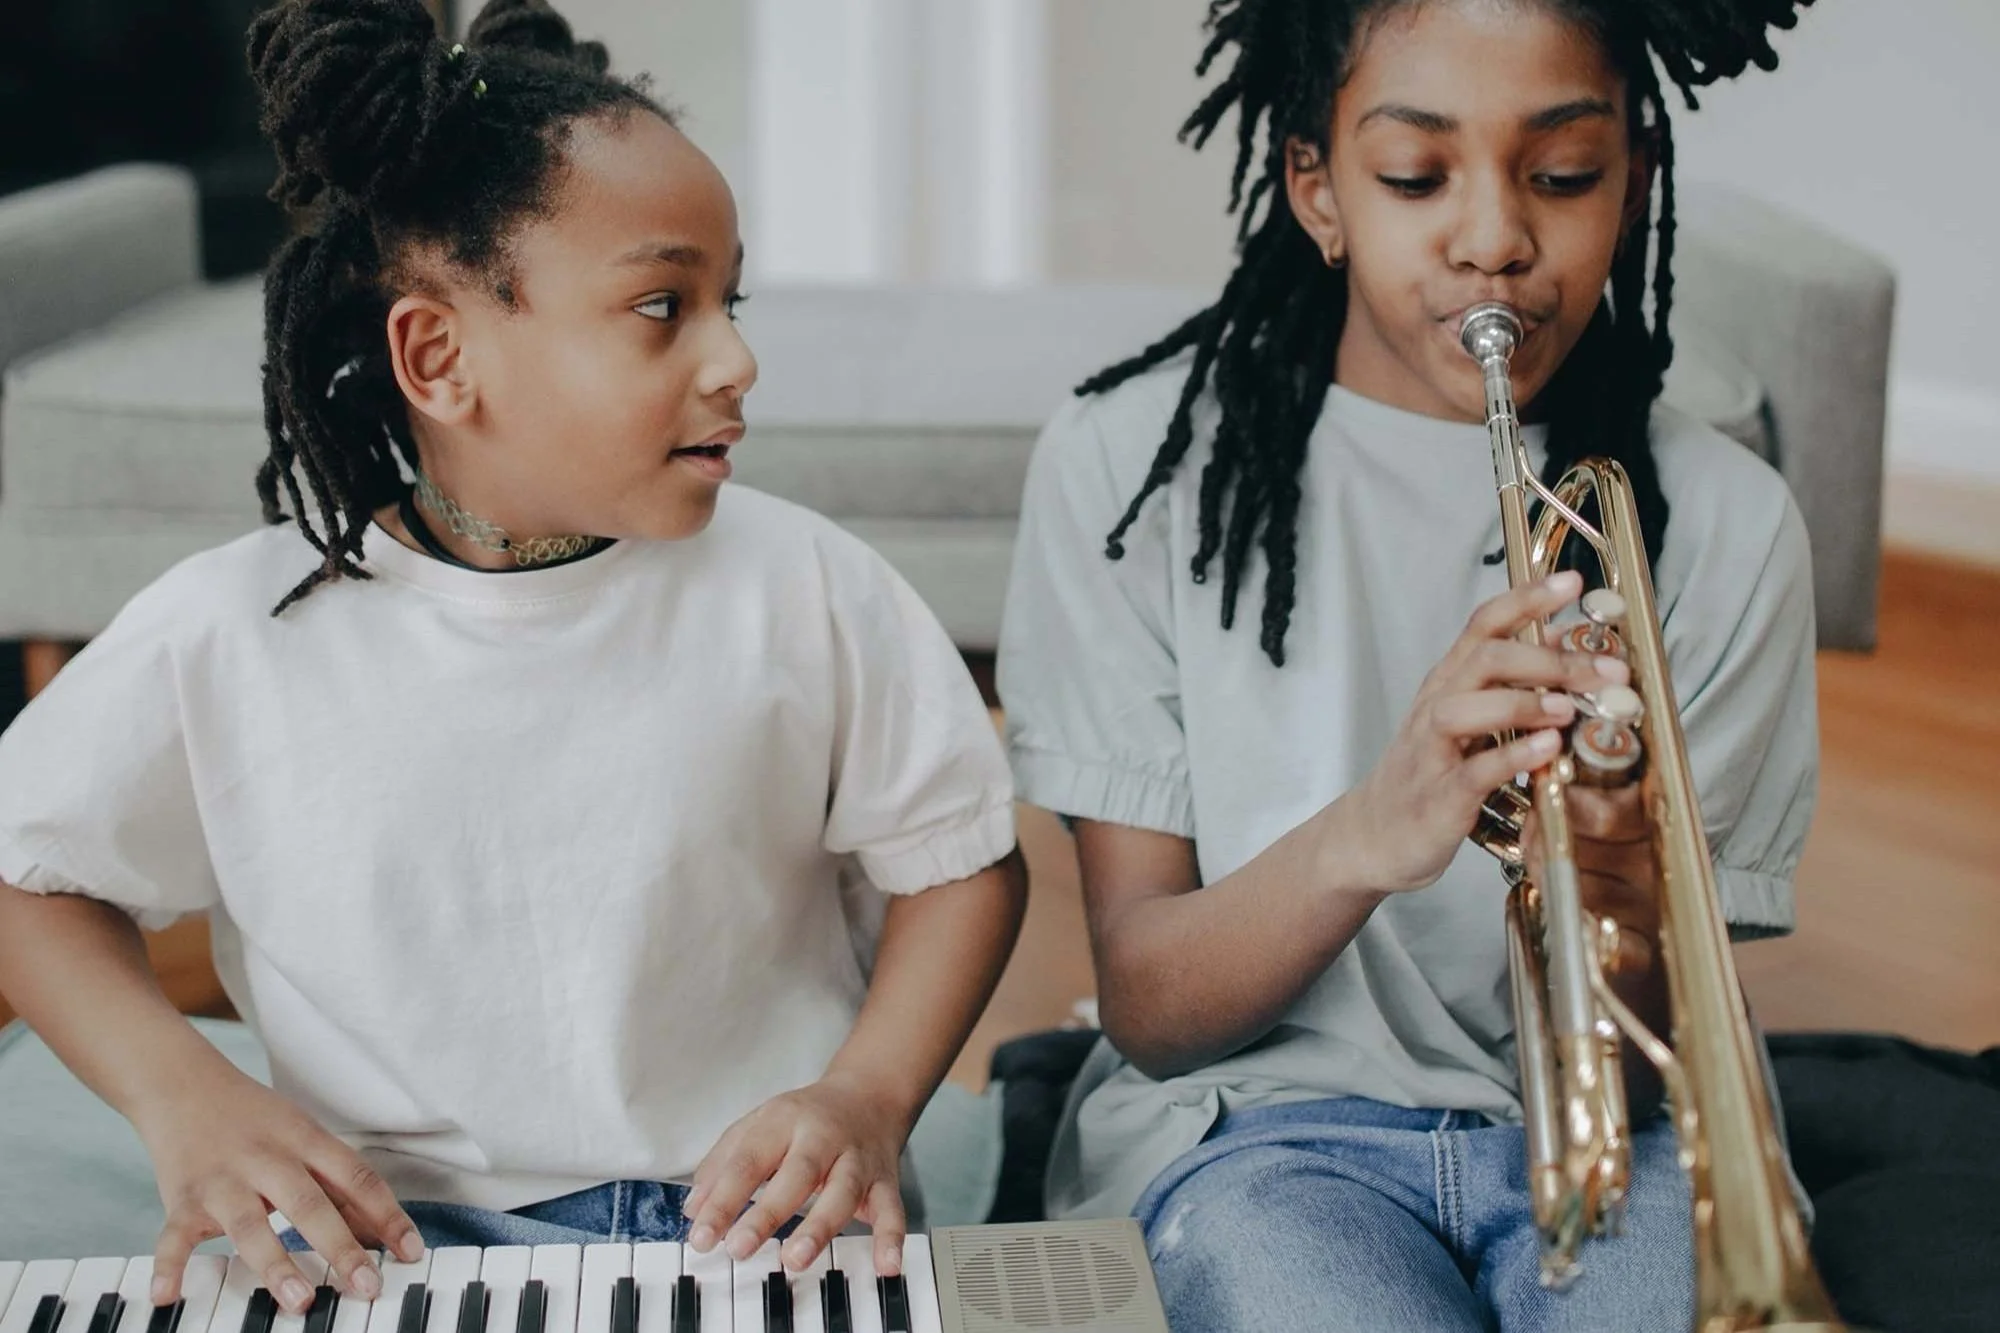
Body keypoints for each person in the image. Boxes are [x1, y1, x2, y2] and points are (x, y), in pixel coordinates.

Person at [0, 0, 1026, 1314]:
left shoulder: (804, 585)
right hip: (376, 1235)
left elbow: (960, 866)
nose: (737, 358)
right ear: (440, 357)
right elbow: (31, 874)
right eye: (664, 306)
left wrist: (867, 1097)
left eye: (730, 299)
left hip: (745, 1213)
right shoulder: (230, 633)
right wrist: (184, 1096)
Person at [997, 0, 1817, 1327]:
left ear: (1633, 184)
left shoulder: (1724, 526)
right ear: (1316, 189)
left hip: (1613, 1157)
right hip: (1253, 1139)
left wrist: (1601, 829)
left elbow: (1651, 1058)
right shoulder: (1124, 472)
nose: (1495, 240)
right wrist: (1376, 828)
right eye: (1414, 176)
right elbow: (1149, 1005)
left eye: (1562, 176)